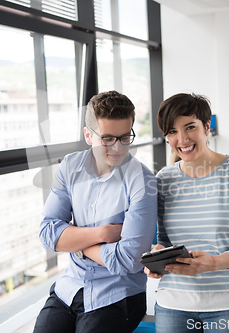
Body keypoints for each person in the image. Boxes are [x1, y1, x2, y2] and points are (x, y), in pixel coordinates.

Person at [34, 90, 157, 333]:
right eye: (108, 138)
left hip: (118, 294)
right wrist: (104, 233)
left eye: (125, 137)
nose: (119, 147)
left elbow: (130, 260)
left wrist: (76, 244)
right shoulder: (70, 167)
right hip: (70, 288)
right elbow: (47, 233)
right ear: (88, 135)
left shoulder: (143, 181)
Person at [147, 93, 229, 333]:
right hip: (174, 301)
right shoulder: (163, 180)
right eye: (172, 132)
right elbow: (164, 241)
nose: (182, 139)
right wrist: (156, 255)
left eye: (190, 127)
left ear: (207, 127)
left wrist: (215, 263)